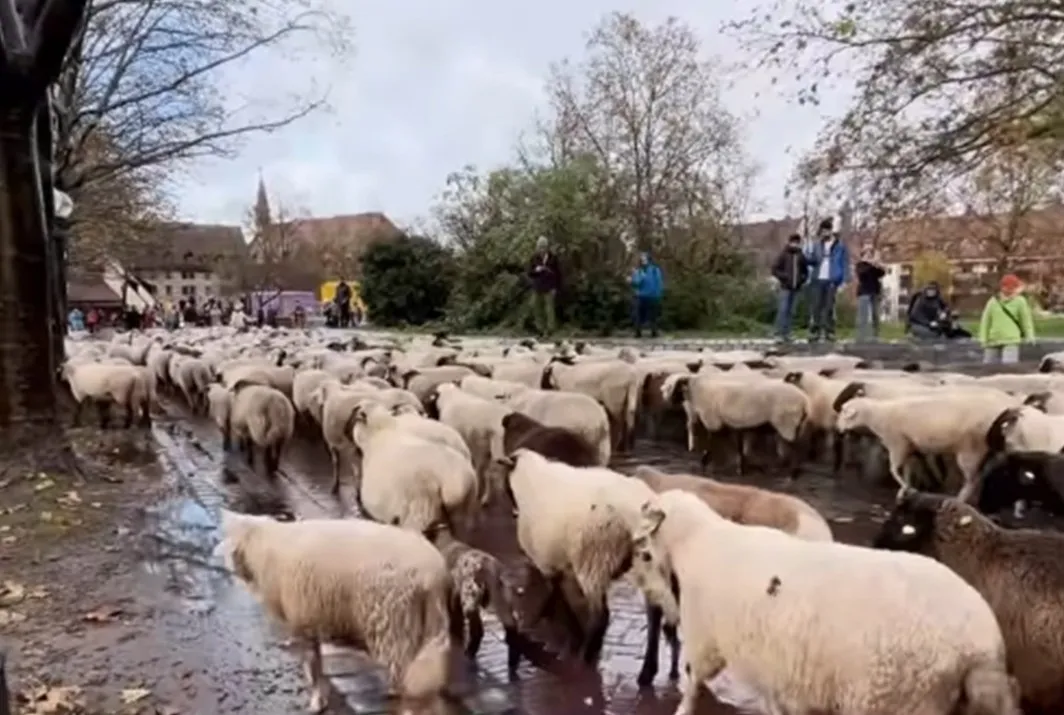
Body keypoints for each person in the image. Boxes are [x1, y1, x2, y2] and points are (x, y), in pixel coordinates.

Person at [804, 218, 850, 342]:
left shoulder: (839, 246)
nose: (824, 234)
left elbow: (845, 262)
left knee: (829, 306)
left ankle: (829, 331)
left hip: (832, 279)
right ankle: (815, 331)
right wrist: (806, 258)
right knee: (816, 306)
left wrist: (844, 280)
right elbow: (813, 260)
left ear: (830, 231)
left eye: (826, 231)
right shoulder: (817, 245)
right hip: (818, 278)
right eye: (822, 231)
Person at [978, 273, 1035, 364]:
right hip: (993, 339)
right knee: (989, 366)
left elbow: (1025, 320)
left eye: (1012, 288)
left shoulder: (1020, 301)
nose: (1009, 290)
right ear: (1002, 287)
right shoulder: (993, 302)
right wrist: (983, 338)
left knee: (1009, 366)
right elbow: (986, 321)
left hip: (1011, 340)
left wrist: (1030, 335)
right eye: (1007, 287)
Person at [770, 233, 809, 342]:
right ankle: (778, 333)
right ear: (789, 242)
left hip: (796, 288)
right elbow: (774, 269)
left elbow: (805, 271)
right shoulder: (784, 254)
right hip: (785, 287)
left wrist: (802, 279)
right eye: (793, 242)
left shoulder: (801, 256)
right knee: (783, 310)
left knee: (791, 312)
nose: (795, 244)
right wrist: (784, 277)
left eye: (797, 243)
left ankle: (787, 333)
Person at [527, 236, 561, 337]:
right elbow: (529, 272)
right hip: (537, 287)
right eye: (540, 247)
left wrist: (556, 287)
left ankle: (550, 330)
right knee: (536, 308)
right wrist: (536, 270)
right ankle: (540, 330)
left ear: (547, 247)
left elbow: (558, 274)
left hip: (549, 287)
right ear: (537, 247)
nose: (542, 249)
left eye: (543, 247)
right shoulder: (534, 258)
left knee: (549, 309)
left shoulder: (553, 257)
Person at [854, 246, 886, 341]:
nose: (869, 255)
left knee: (875, 315)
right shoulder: (860, 265)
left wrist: (878, 265)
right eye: (867, 253)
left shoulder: (874, 266)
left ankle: (875, 335)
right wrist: (871, 263)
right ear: (863, 255)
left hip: (875, 292)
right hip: (864, 292)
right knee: (863, 315)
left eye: (870, 254)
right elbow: (862, 273)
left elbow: (881, 273)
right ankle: (861, 336)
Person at [630, 251, 664, 338]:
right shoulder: (638, 271)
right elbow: (636, 283)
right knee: (638, 315)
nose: (643, 260)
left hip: (653, 296)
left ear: (648, 259)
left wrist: (658, 294)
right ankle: (638, 332)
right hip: (641, 296)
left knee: (653, 316)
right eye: (642, 259)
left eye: (644, 258)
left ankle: (654, 332)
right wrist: (636, 277)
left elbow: (659, 283)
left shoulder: (655, 270)